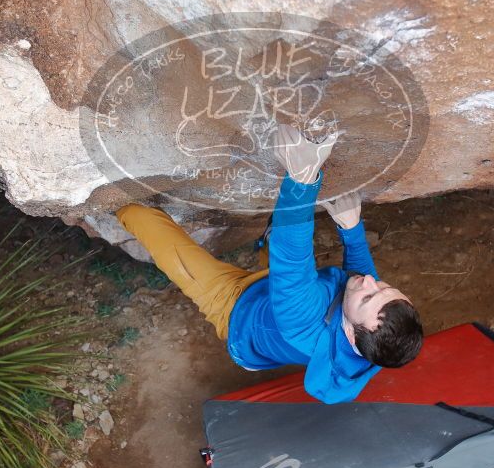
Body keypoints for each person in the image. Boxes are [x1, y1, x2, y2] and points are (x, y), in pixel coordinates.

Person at [115, 124, 422, 403]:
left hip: (233, 309)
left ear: (353, 335)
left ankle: (116, 203)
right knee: (281, 242)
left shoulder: (306, 323)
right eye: (385, 288)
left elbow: (292, 257)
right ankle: (266, 242)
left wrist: (302, 180)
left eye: (368, 297)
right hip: (272, 291)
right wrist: (352, 232)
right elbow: (359, 281)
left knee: (145, 220)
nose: (369, 281)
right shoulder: (372, 334)